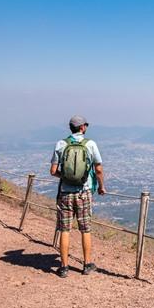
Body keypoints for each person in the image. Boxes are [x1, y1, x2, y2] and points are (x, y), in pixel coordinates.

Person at [50, 115, 106, 277]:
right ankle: (87, 264)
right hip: (84, 192)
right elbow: (99, 169)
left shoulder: (61, 144)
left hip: (65, 194)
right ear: (83, 127)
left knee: (65, 230)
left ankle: (64, 267)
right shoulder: (90, 144)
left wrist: (67, 178)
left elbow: (53, 171)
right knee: (85, 229)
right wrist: (101, 187)